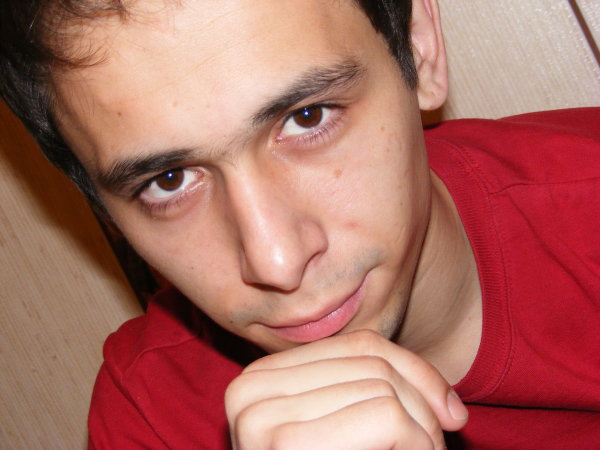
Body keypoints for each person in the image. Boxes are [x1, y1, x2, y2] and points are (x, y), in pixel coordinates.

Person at [1, 0, 598, 448]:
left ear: (419, 47)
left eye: (308, 117)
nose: (278, 262)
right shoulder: (155, 418)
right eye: (169, 180)